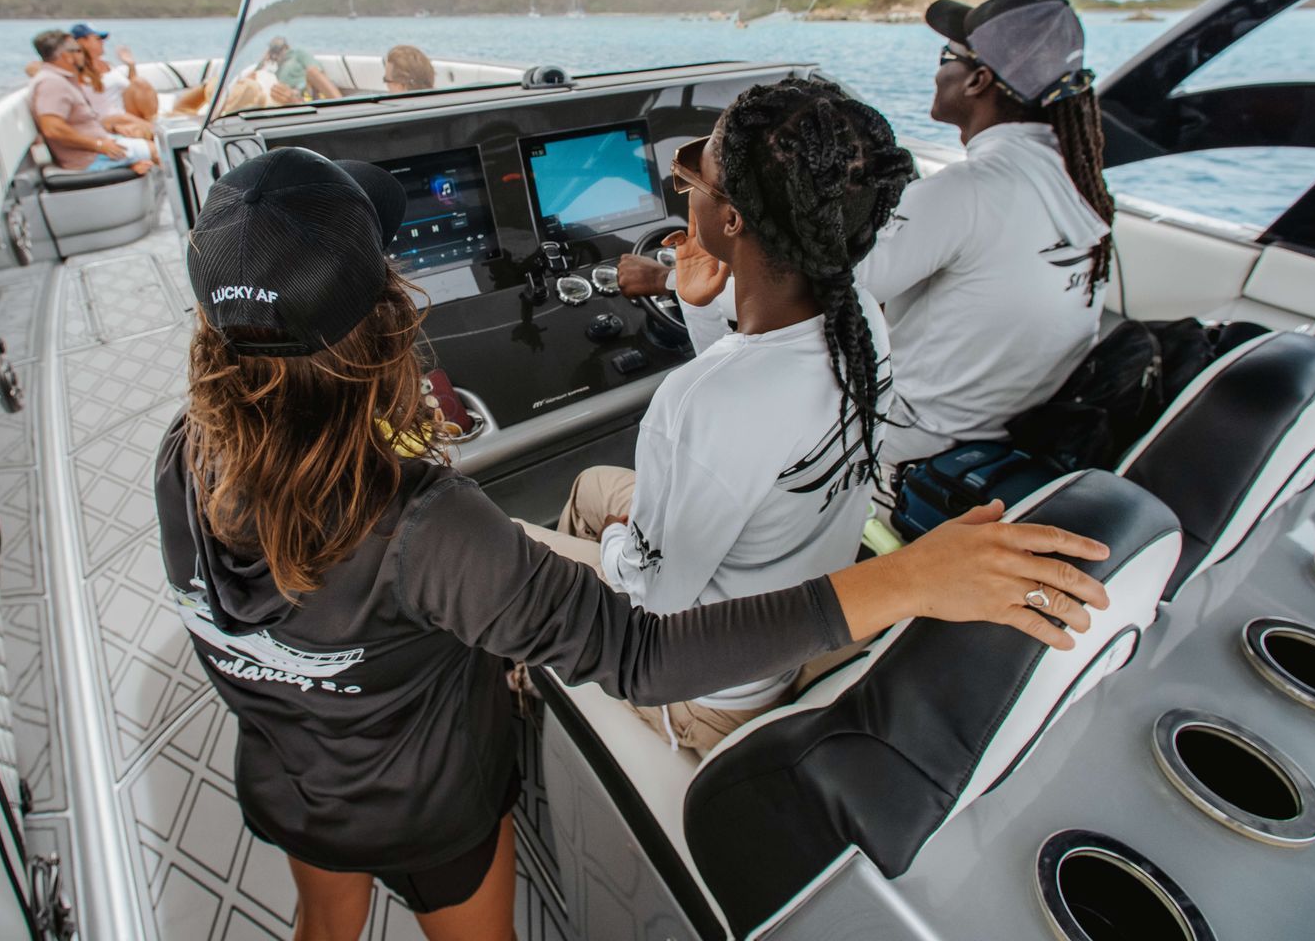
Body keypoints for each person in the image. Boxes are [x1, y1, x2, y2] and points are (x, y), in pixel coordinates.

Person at [155, 145, 1110, 940]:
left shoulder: (179, 453)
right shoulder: (426, 527)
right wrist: (904, 578)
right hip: (426, 803)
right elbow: (645, 654)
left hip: (288, 773)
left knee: (323, 923)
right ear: (385, 321)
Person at [525, 76, 915, 754]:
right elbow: (751, 405)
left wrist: (623, 539)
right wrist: (700, 304)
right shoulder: (865, 326)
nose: (686, 191)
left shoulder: (701, 405)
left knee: (509, 554)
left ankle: (532, 692)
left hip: (706, 691)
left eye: (693, 178)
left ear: (731, 219)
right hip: (784, 623)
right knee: (593, 484)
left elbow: (653, 610)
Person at [619, 0, 1115, 473]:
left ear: (977, 80)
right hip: (1001, 434)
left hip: (905, 448)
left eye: (948, 56)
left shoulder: (970, 192)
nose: (938, 68)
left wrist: (670, 282)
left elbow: (812, 293)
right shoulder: (1078, 180)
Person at [27, 29, 155, 174]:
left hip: (98, 147)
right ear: (66, 56)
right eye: (78, 50)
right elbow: (52, 129)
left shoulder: (60, 79)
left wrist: (112, 130)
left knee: (150, 143)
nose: (83, 54)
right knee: (158, 150)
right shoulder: (51, 83)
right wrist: (99, 145)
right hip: (89, 158)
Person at [252, 35, 342, 103]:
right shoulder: (276, 72)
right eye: (274, 51)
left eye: (278, 50)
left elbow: (316, 72)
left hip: (308, 91)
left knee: (312, 71)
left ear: (286, 47)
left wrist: (299, 89)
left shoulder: (297, 54)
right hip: (290, 99)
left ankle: (340, 104)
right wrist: (263, 60)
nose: (277, 54)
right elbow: (252, 77)